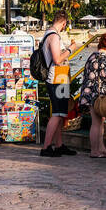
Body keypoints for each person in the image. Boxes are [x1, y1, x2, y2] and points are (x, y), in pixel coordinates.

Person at [78, 34, 106, 158]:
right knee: (97, 122)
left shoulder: (92, 56)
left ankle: (101, 148)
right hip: (96, 93)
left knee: (100, 122)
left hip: (88, 92)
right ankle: (94, 151)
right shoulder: (103, 57)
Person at [39, 11, 76, 158]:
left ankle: (59, 145)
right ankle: (46, 147)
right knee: (57, 113)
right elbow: (57, 59)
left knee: (61, 113)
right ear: (64, 23)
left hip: (59, 77)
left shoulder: (48, 34)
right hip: (56, 78)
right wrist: (70, 49)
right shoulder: (54, 36)